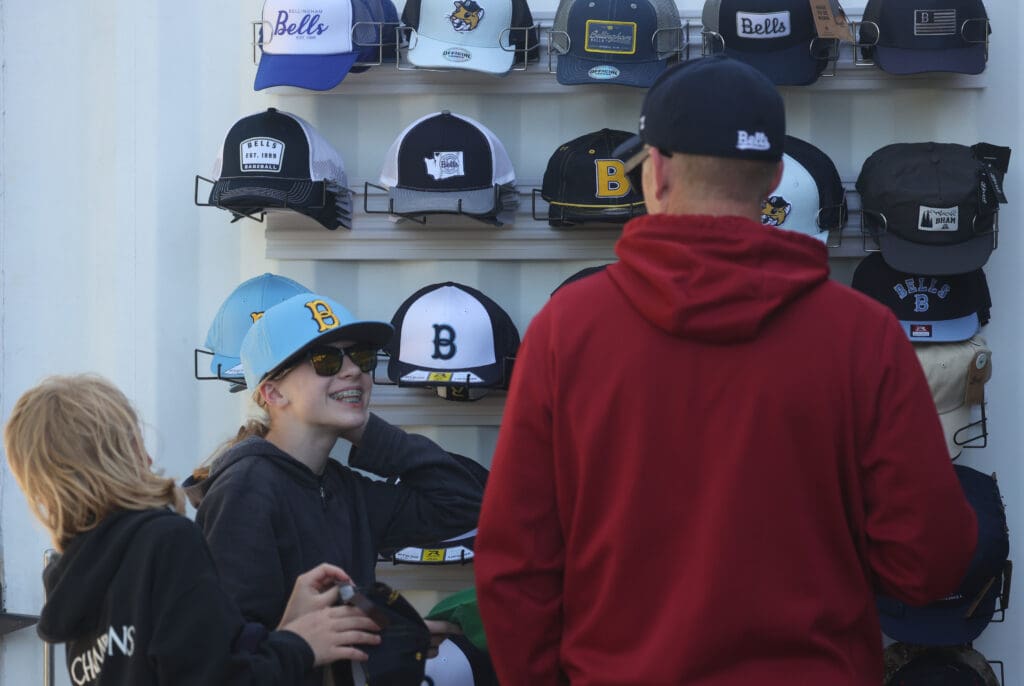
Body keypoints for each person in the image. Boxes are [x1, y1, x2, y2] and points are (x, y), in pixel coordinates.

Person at [474, 56, 979, 685]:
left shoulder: (567, 329)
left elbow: (513, 565)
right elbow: (929, 559)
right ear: (773, 180)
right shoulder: (861, 333)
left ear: (654, 172)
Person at [4, 373, 382, 686]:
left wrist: (285, 629)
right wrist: (301, 644)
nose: (148, 456)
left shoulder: (75, 577)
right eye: (134, 439)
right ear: (120, 452)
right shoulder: (163, 541)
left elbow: (181, 668)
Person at [188, 292, 482, 685]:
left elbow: (465, 504)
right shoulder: (246, 489)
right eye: (326, 360)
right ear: (272, 393)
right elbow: (228, 661)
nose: (353, 371)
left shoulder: (340, 486)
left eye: (360, 357)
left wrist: (365, 430)